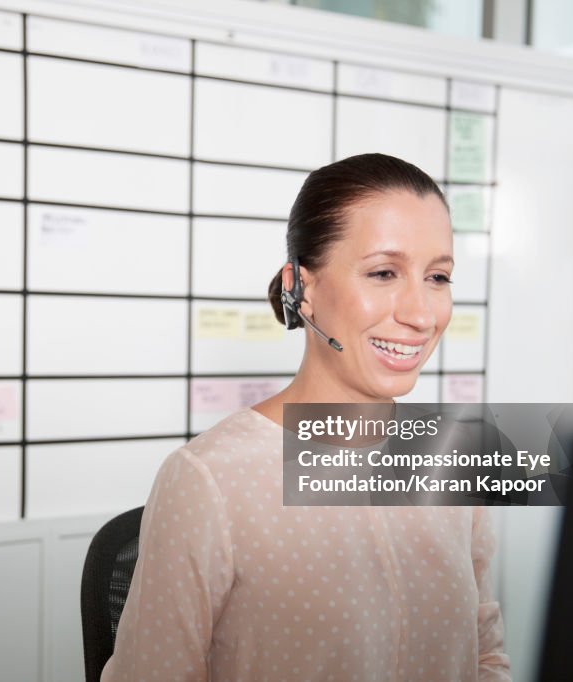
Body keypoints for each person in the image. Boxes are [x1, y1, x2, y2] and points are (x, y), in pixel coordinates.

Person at [100, 153, 512, 681]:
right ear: (303, 288)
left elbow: (486, 659)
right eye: (384, 272)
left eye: (437, 276)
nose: (421, 313)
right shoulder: (209, 480)